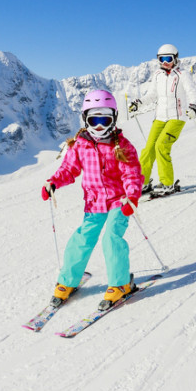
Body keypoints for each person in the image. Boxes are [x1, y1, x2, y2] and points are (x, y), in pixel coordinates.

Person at [41, 90, 144, 310]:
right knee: (82, 238)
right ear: (85, 119)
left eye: (104, 120)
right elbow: (69, 168)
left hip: (120, 201)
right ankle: (68, 281)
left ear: (113, 118)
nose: (99, 126)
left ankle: (121, 284)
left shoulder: (122, 146)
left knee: (111, 238)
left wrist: (132, 196)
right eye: (93, 120)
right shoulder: (80, 144)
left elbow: (132, 173)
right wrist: (53, 182)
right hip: (94, 201)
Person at [129, 44, 196, 196]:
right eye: (162, 59)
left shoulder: (182, 74)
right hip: (159, 118)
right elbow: (152, 94)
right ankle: (143, 183)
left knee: (161, 146)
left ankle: (167, 184)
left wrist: (193, 106)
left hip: (176, 118)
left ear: (175, 58)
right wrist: (139, 103)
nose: (165, 62)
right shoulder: (157, 75)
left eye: (168, 59)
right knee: (148, 149)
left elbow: (191, 92)